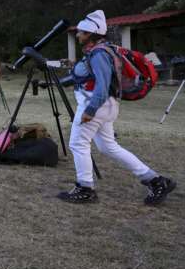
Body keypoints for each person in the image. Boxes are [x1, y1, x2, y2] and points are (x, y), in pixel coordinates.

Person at [58, 10, 176, 204]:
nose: (77, 35)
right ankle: (155, 180)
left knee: (78, 144)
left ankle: (85, 188)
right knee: (108, 146)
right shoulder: (105, 50)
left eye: (80, 32)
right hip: (107, 106)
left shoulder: (98, 54)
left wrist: (90, 110)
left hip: (96, 105)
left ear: (89, 35)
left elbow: (102, 86)